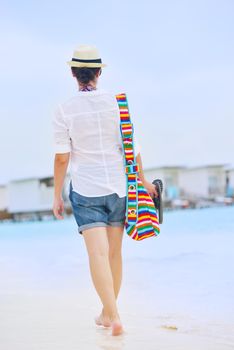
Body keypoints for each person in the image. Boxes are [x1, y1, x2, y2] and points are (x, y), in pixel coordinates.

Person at [52, 44, 157, 336]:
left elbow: (62, 157)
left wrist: (56, 194)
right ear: (98, 72)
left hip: (86, 189)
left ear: (74, 74)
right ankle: (109, 313)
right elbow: (131, 148)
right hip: (118, 187)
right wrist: (143, 182)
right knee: (114, 253)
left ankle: (113, 315)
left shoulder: (64, 110)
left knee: (97, 255)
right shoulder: (118, 103)